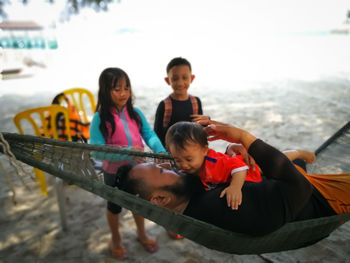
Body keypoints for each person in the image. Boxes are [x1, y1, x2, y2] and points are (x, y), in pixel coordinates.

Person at [118, 119, 350, 236]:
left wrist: (231, 152)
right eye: (161, 171)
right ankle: (298, 154)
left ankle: (298, 155)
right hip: (322, 199)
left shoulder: (191, 195)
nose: (172, 167)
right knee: (291, 159)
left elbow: (219, 169)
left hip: (281, 180)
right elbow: (299, 189)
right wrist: (242, 137)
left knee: (288, 160)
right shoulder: (225, 205)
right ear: (159, 199)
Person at [89, 67, 166, 259]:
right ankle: (115, 238)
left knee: (138, 203)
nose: (123, 93)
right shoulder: (100, 118)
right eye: (117, 89)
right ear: (105, 91)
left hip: (138, 170)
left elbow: (149, 135)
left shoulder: (136, 113)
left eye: (126, 88)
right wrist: (126, 152)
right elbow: (96, 150)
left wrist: (160, 151)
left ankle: (141, 233)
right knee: (114, 206)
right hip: (113, 172)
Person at [165, 121, 317, 210]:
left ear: (205, 150)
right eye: (177, 160)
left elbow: (239, 167)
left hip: (250, 168)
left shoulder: (213, 163)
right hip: (238, 169)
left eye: (188, 159)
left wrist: (235, 187)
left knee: (278, 162)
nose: (183, 165)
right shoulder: (189, 163)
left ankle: (299, 152)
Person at [154, 57, 208, 147]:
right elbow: (157, 134)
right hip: (171, 154)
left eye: (185, 78)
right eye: (175, 79)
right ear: (168, 80)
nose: (180, 83)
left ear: (192, 78)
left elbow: (200, 129)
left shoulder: (196, 102)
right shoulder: (164, 105)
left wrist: (207, 121)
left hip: (191, 152)